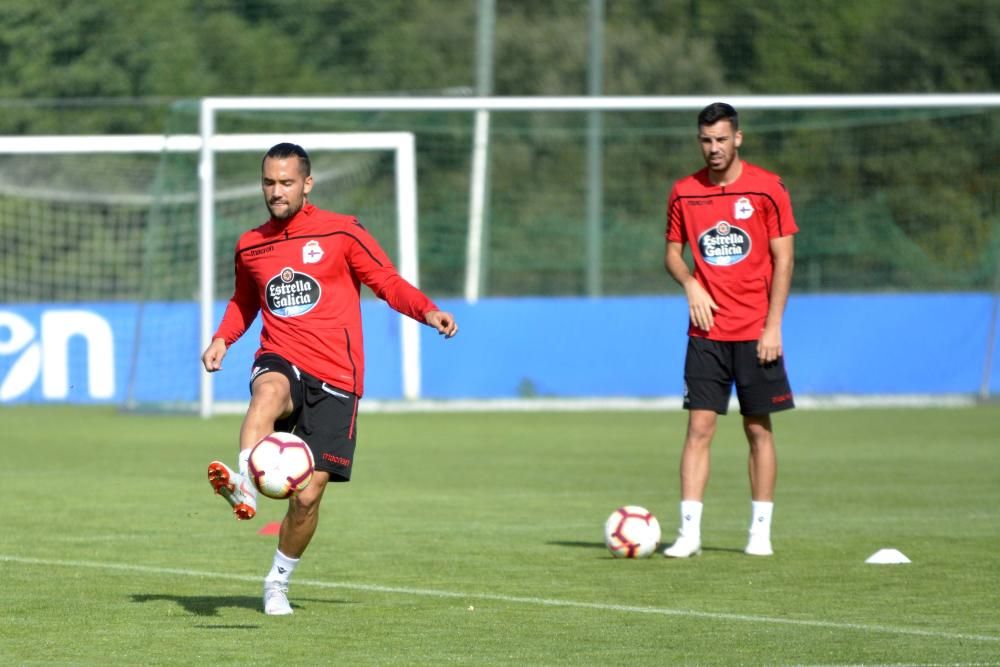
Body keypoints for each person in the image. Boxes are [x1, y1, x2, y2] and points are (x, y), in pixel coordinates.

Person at [201, 143, 458, 614]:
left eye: (285, 183)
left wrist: (428, 310)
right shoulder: (250, 243)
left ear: (307, 184)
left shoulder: (342, 230)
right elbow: (244, 301)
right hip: (281, 355)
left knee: (308, 494)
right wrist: (223, 339)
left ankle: (277, 582)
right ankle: (244, 480)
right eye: (268, 183)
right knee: (268, 392)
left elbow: (386, 281)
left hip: (337, 375)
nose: (275, 192)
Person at [662, 102, 797, 558]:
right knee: (698, 428)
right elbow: (672, 255)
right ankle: (689, 534)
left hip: (756, 331)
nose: (713, 148)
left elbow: (784, 260)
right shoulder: (684, 192)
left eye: (721, 139)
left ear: (738, 138)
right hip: (706, 333)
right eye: (705, 140)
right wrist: (691, 284)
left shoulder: (767, 189)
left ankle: (759, 533)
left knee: (758, 429)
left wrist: (773, 326)